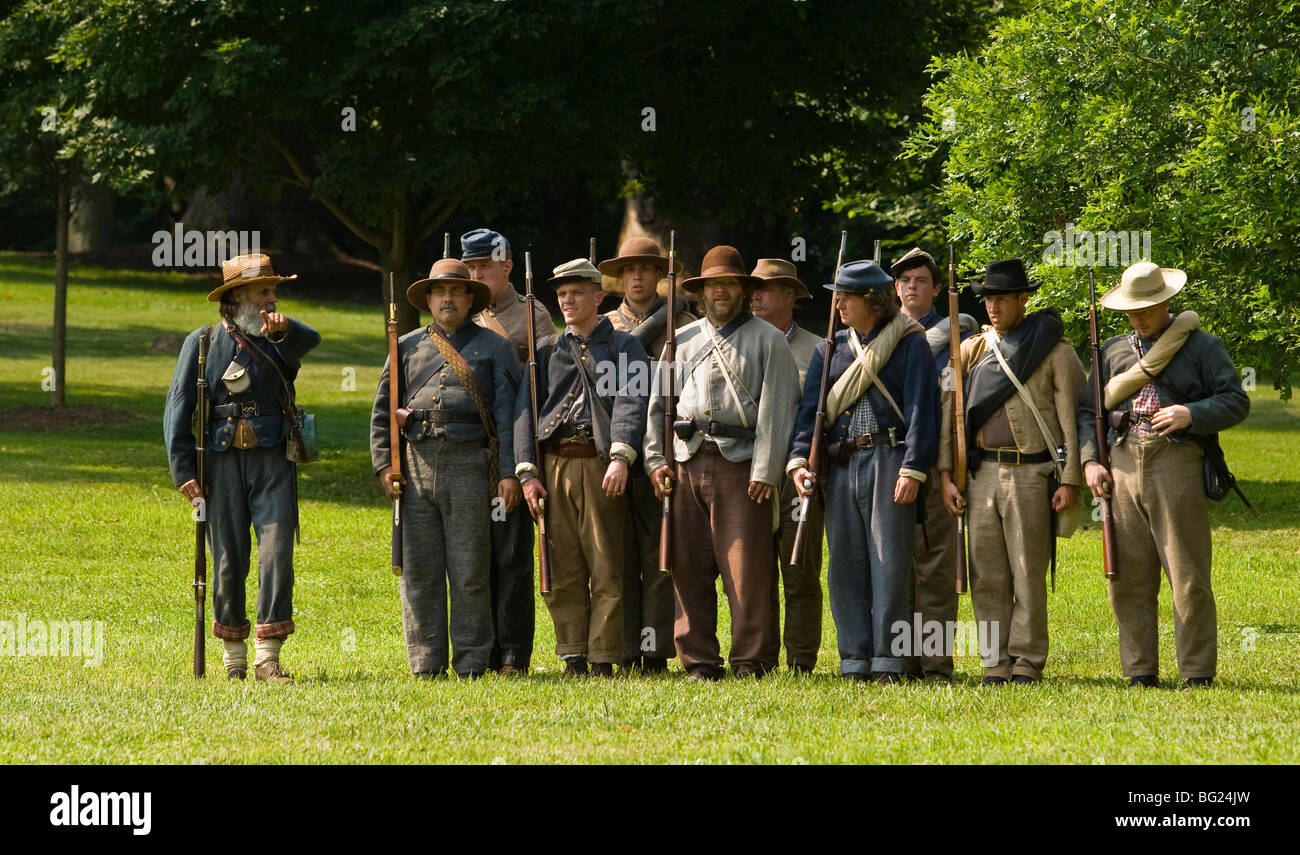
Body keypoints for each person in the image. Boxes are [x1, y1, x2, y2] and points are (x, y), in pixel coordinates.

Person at [1077, 261, 1249, 689]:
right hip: (1122, 462)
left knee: (1187, 574)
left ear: (1167, 301)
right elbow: (1088, 413)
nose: (1138, 318)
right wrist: (1091, 461)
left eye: (1147, 308)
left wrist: (1192, 413)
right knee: (1127, 578)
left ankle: (1196, 671)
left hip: (1178, 461)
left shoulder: (1203, 348)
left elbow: (1235, 400)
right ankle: (1140, 671)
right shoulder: (1111, 351)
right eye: (1132, 311)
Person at [644, 245, 801, 680]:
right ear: (702, 291)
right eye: (714, 285)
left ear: (743, 290)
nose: (721, 292)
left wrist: (767, 471)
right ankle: (698, 660)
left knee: (746, 573)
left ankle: (750, 661)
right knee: (688, 568)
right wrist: (657, 461)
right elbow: (660, 407)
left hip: (743, 466)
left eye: (729, 284)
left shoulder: (768, 340)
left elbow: (778, 409)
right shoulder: (683, 340)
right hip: (687, 462)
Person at [164, 253, 320, 683]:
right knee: (228, 559)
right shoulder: (201, 343)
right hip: (220, 462)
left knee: (277, 553)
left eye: (273, 290)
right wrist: (184, 470)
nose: (272, 299)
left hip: (273, 459)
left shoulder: (281, 338)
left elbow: (312, 339)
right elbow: (178, 409)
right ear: (237, 298)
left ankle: (268, 656)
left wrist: (286, 329)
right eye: (263, 291)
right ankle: (233, 656)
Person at [787, 260, 939, 683]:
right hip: (840, 464)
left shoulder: (910, 345)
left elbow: (922, 411)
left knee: (889, 564)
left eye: (846, 297)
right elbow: (810, 417)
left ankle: (889, 661)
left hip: (891, 460)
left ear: (871, 300)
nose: (838, 304)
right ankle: (854, 659)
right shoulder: (829, 349)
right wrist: (800, 460)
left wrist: (913, 468)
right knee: (845, 567)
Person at [369, 258, 520, 678]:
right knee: (419, 571)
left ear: (470, 299)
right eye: (439, 293)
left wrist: (507, 471)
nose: (447, 299)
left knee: (471, 569)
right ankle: (425, 662)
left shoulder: (496, 348)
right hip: (415, 467)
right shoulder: (407, 346)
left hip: (471, 466)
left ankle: (472, 662)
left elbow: (508, 416)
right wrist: (385, 464)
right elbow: (383, 410)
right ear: (429, 300)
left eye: (455, 292)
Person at [939, 259, 1085, 685]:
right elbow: (949, 415)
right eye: (988, 299)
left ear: (1024, 299)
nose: (994, 307)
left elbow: (1074, 419)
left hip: (1030, 475)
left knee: (1027, 573)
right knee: (987, 575)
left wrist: (1071, 478)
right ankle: (994, 663)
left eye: (1002, 298)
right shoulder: (968, 351)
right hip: (980, 475)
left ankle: (1026, 660)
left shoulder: (1055, 351)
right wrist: (948, 475)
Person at [514, 259, 650, 677]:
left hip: (600, 464)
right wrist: (527, 472)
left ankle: (604, 656)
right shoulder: (545, 351)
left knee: (606, 564)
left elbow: (632, 401)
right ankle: (573, 653)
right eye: (561, 294)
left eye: (575, 293)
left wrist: (621, 456)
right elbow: (525, 411)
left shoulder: (624, 347)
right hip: (553, 467)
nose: (567, 301)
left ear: (597, 297)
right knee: (562, 565)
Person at [599, 236, 694, 672]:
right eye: (629, 269)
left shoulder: (684, 325)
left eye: (646, 268)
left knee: (659, 559)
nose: (637, 276)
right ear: (620, 277)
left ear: (660, 275)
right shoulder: (601, 327)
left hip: (663, 452)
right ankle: (623, 650)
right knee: (618, 558)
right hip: (610, 456)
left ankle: (653, 652)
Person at [463, 228, 555, 675]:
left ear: (507, 266)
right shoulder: (460, 314)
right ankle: (480, 649)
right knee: (472, 556)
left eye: (484, 266)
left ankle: (515, 653)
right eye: (470, 267)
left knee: (511, 554)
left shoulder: (532, 315)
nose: (477, 274)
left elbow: (549, 387)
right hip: (467, 450)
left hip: (514, 444)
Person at [890, 247, 977, 680]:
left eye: (921, 280)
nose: (911, 287)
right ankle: (903, 661)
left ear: (937, 288)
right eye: (904, 281)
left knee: (938, 567)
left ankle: (937, 663)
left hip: (942, 461)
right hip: (894, 459)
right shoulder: (884, 337)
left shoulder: (959, 338)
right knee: (896, 563)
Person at [749, 257, 824, 674]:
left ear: (790, 295)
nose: (755, 296)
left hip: (799, 482)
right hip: (749, 477)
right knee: (754, 575)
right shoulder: (744, 341)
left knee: (800, 572)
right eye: (753, 288)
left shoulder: (818, 349)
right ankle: (759, 658)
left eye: (766, 288)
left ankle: (801, 660)